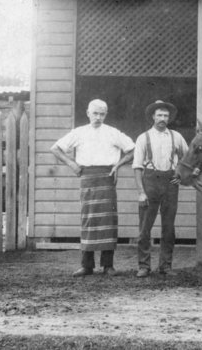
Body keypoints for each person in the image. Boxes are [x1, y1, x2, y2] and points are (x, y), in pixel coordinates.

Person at [51, 99, 135, 277]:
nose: (98, 117)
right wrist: (72, 164)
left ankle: (108, 265)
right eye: (95, 113)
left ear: (106, 114)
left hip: (107, 177)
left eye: (102, 114)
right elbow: (56, 148)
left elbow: (133, 150)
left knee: (108, 221)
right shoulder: (79, 132)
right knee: (88, 219)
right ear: (88, 113)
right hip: (87, 177)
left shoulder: (113, 132)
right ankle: (86, 265)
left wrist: (117, 165)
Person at [133, 99, 189, 278]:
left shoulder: (177, 137)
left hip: (170, 183)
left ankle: (165, 266)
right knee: (144, 228)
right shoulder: (143, 137)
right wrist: (141, 192)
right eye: (159, 115)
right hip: (150, 181)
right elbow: (137, 167)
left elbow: (187, 159)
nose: (163, 118)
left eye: (165, 115)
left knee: (168, 228)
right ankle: (144, 266)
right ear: (153, 117)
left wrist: (180, 176)